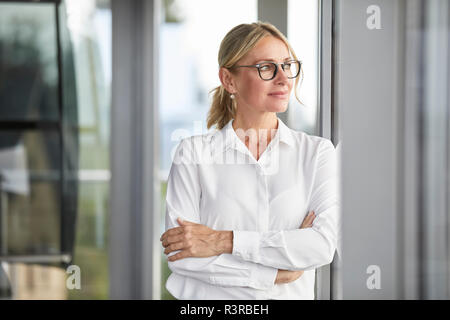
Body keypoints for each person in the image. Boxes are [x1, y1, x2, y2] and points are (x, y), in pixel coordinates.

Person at [160, 21, 340, 300]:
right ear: (229, 80)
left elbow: (321, 246)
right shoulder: (192, 155)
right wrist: (277, 274)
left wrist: (222, 241)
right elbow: (182, 255)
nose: (283, 78)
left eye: (287, 65)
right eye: (266, 68)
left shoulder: (317, 154)